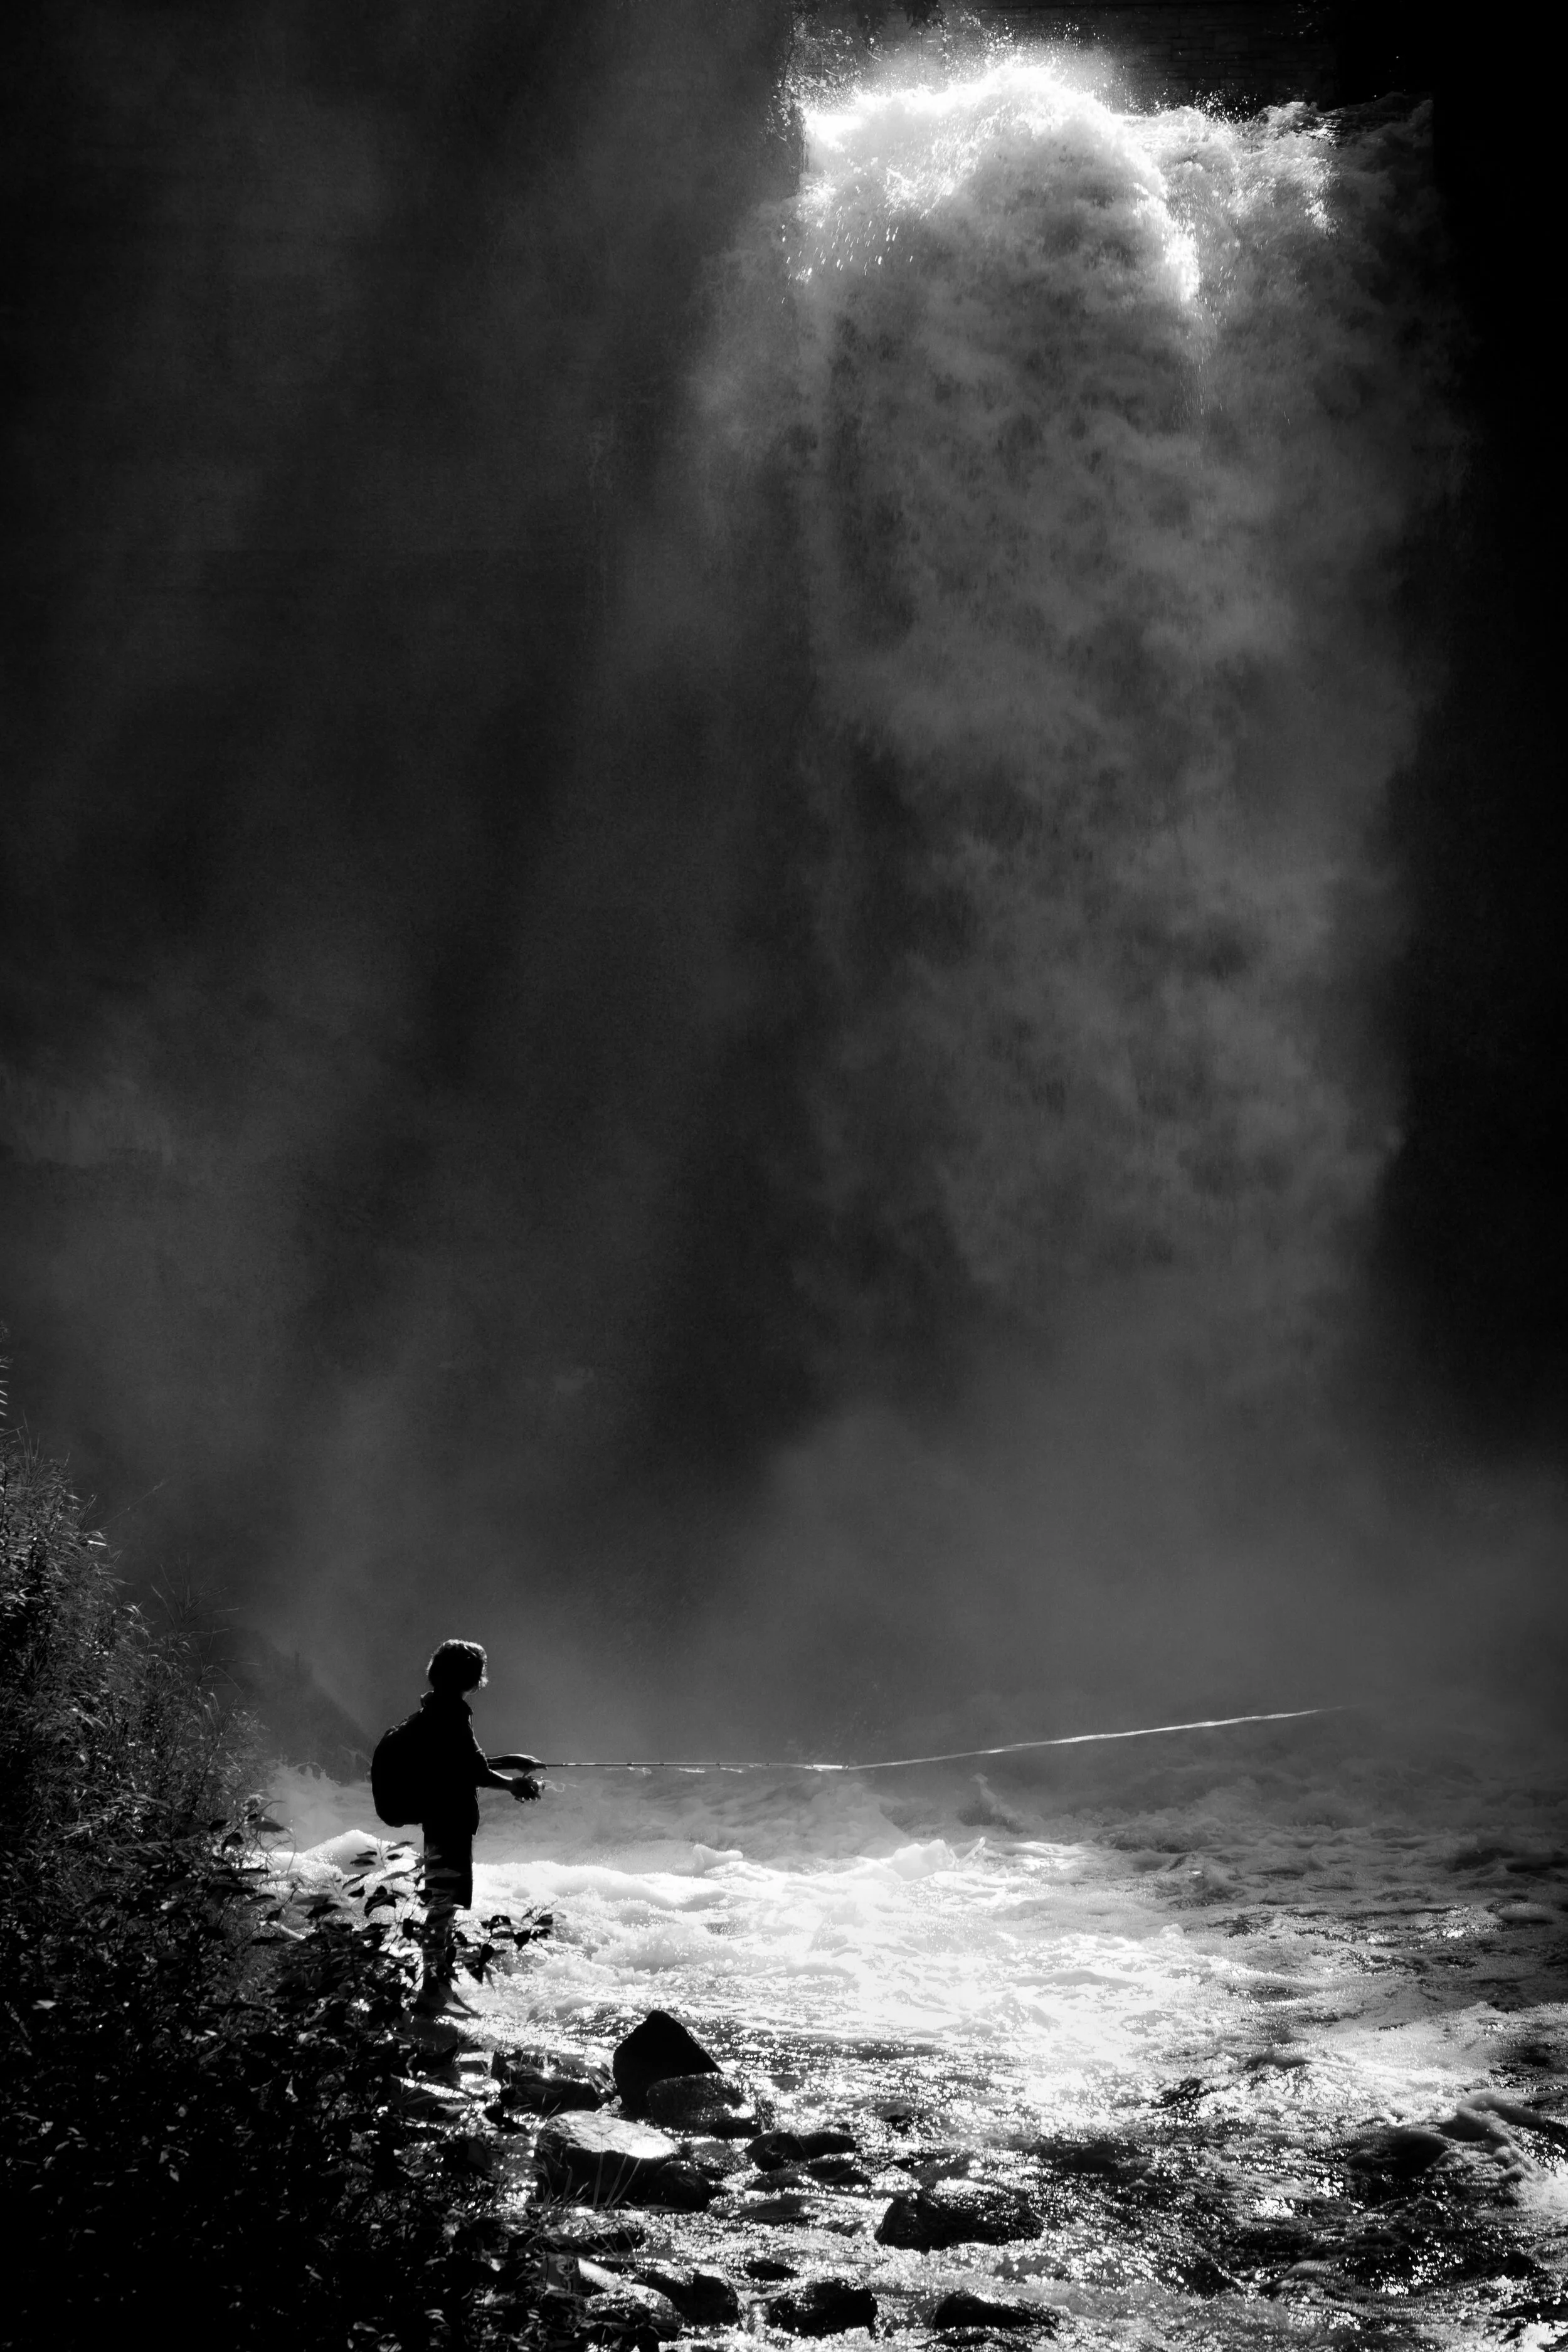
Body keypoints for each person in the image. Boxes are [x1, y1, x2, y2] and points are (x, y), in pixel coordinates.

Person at [414, 1638, 541, 2010]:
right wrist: (513, 1785)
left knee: (443, 1904)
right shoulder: (453, 1712)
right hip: (450, 1821)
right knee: (443, 1906)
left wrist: (509, 1760)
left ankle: (438, 1987)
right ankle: (433, 1991)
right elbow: (473, 1771)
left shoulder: (434, 1707)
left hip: (438, 1819)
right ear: (471, 1678)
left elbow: (461, 1762)